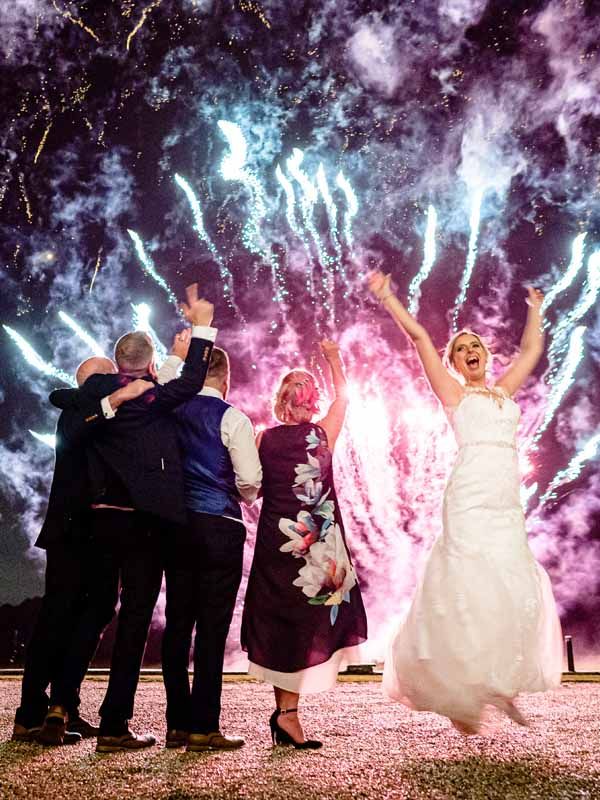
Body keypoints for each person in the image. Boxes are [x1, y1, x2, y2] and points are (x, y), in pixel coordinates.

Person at [368, 270, 563, 734]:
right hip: (469, 497)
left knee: (511, 585)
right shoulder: (453, 393)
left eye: (475, 345)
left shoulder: (502, 392)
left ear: (486, 354)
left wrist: (535, 310)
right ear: (454, 362)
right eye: (460, 348)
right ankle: (459, 690)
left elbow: (532, 351)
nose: (469, 351)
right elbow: (418, 338)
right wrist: (389, 298)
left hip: (505, 501)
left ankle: (496, 684)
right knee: (467, 588)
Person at [48, 283, 216, 752]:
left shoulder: (99, 389)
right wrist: (199, 329)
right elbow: (189, 382)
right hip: (143, 522)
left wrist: (108, 398)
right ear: (146, 364)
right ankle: (114, 724)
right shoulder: (150, 397)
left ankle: (63, 702)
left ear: (119, 362)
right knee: (136, 619)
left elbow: (60, 397)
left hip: (101, 523)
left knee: (95, 610)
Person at [12, 358, 152, 745]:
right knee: (60, 616)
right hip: (73, 532)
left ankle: (57, 708)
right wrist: (117, 398)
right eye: (106, 378)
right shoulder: (78, 410)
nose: (114, 381)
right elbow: (77, 431)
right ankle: (36, 712)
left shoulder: (110, 417)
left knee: (90, 613)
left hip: (95, 532)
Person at [241, 340, 368, 749]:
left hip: (306, 546)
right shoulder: (288, 435)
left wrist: (333, 360)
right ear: (287, 400)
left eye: (305, 384)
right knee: (288, 626)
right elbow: (250, 488)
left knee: (301, 624)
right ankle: (287, 715)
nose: (302, 389)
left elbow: (344, 400)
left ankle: (287, 714)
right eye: (297, 384)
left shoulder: (300, 435)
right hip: (295, 546)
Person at [161, 346, 262, 752]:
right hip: (220, 525)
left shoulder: (171, 409)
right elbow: (250, 479)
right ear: (226, 378)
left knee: (177, 623)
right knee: (212, 628)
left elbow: (164, 378)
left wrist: (175, 356)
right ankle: (205, 727)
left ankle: (177, 725)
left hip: (176, 526)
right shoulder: (233, 418)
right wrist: (243, 495)